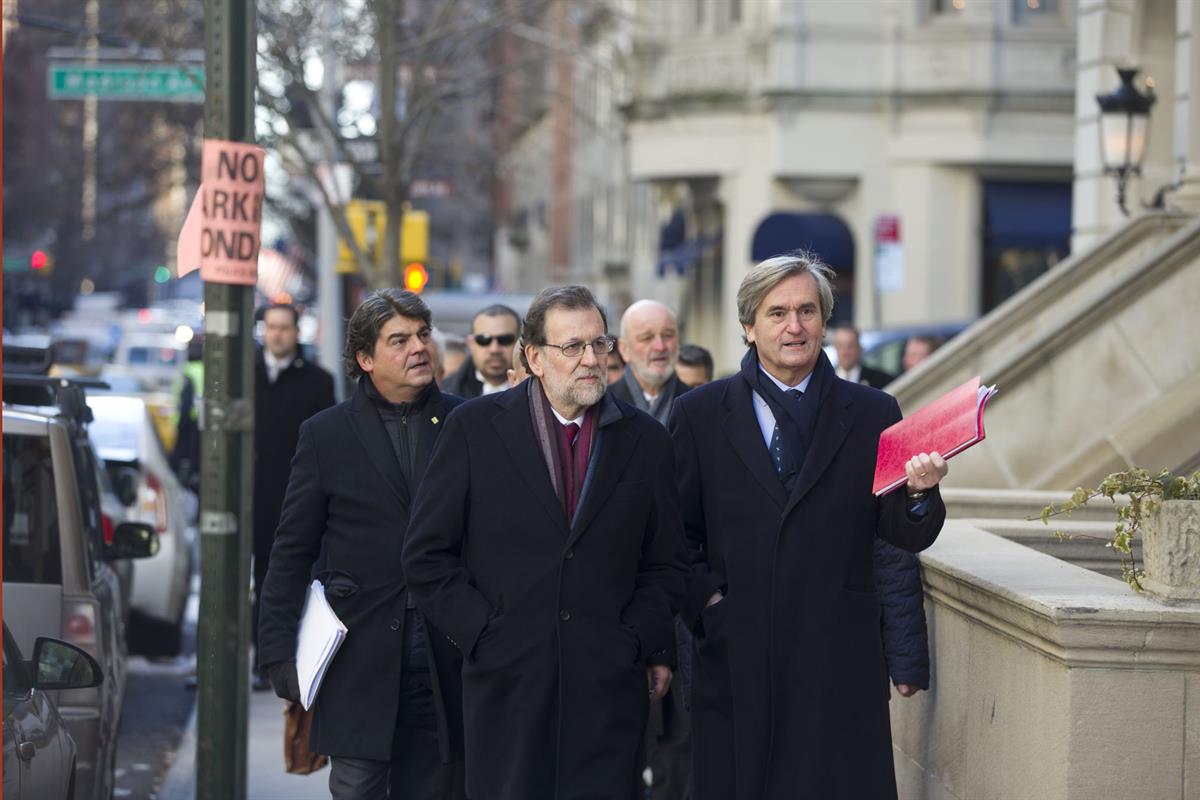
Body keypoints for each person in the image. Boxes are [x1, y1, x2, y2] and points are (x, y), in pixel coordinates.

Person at [669, 253, 948, 800]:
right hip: (737, 655)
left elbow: (900, 534)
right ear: (749, 327)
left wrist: (920, 492)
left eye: (807, 311)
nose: (794, 326)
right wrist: (710, 605)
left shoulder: (874, 411)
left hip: (837, 658)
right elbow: (675, 537)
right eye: (776, 313)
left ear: (825, 321)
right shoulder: (698, 414)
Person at [403, 285, 688, 800]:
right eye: (572, 347)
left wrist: (635, 638)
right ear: (533, 357)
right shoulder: (474, 428)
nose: (590, 360)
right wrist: (484, 635)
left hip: (607, 690)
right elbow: (426, 555)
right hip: (507, 687)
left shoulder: (646, 442)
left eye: (600, 345)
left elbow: (666, 562)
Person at [257, 289, 466, 800]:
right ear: (366, 359)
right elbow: (291, 549)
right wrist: (280, 652)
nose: (419, 347)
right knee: (357, 790)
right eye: (399, 340)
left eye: (422, 335)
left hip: (448, 655)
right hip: (357, 653)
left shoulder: (468, 423)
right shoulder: (325, 435)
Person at [252, 303, 336, 691]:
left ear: (296, 331)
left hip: (292, 499)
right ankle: (256, 655)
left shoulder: (317, 381)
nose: (278, 334)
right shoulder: (242, 376)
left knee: (281, 577)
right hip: (249, 498)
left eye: (285, 327)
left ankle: (270, 658)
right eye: (272, 327)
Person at [609, 300, 690, 425]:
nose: (660, 347)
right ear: (624, 349)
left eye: (668, 335)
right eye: (646, 338)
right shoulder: (602, 406)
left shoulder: (699, 404)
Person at [441, 304, 521, 398]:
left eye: (505, 339)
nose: (494, 349)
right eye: (483, 340)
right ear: (471, 344)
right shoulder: (444, 392)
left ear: (520, 342)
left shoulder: (538, 390)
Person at [832, 324, 894, 389]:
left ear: (860, 348)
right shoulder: (826, 379)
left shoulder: (881, 380)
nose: (845, 352)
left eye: (851, 346)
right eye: (841, 346)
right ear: (835, 348)